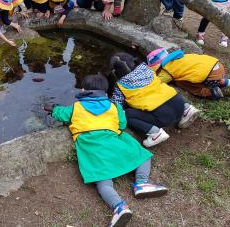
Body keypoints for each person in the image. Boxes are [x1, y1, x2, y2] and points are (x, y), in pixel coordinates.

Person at [45, 74, 168, 227]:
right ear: (105, 92)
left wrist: (53, 109)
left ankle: (119, 207)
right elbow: (121, 125)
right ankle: (142, 183)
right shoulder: (114, 106)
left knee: (103, 182)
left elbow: (60, 114)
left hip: (93, 150)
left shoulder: (76, 108)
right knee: (142, 155)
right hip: (114, 144)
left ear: (83, 90)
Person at [110, 53, 184, 147]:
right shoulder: (146, 68)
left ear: (116, 72)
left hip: (163, 117)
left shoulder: (121, 84)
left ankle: (155, 133)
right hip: (179, 104)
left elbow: (116, 104)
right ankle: (187, 110)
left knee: (124, 114)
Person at [147, 48, 230, 99]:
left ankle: (210, 92)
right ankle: (224, 81)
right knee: (202, 73)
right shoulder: (180, 56)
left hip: (208, 77)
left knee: (180, 82)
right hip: (217, 66)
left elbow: (159, 81)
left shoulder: (167, 69)